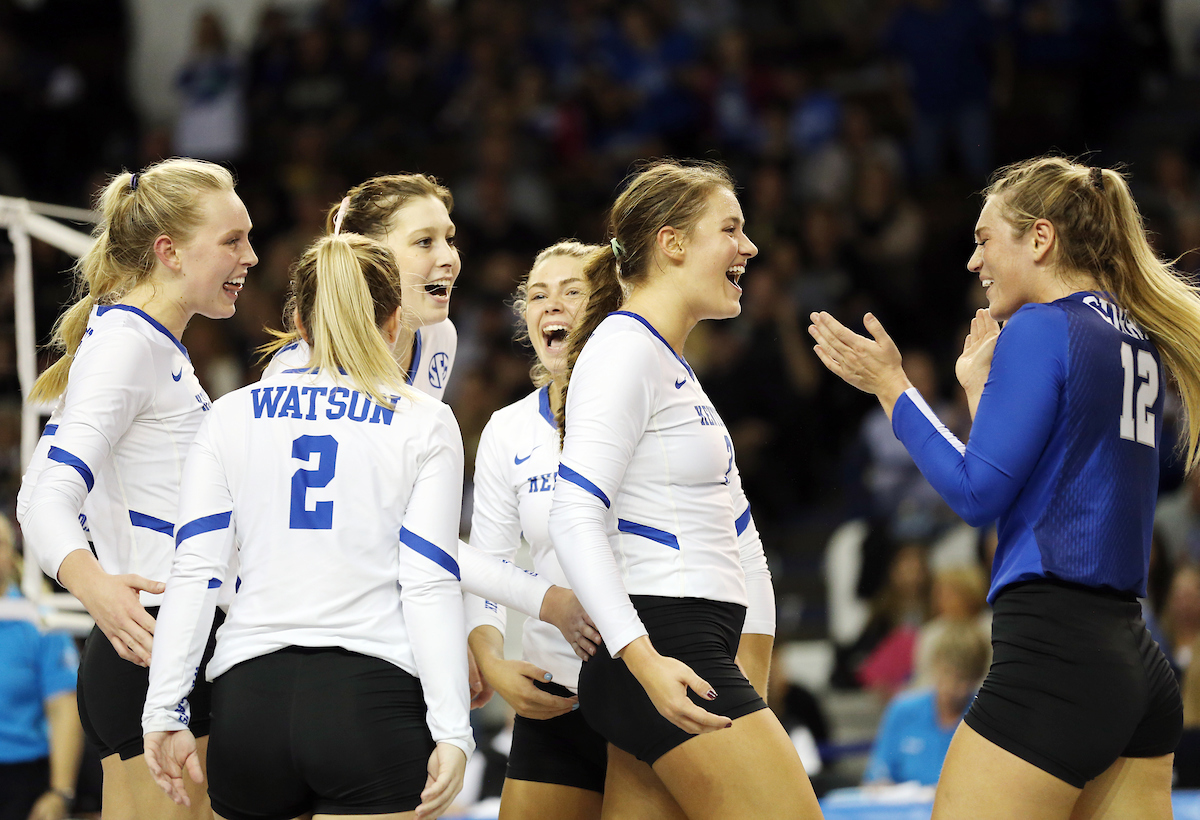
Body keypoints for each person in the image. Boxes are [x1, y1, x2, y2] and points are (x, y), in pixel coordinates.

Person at [809, 155, 1199, 818]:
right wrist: (977, 391)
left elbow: (977, 494)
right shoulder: (1130, 337)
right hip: (1134, 660)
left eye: (985, 239)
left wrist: (892, 389)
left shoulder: (1044, 327)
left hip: (1054, 656)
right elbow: (1061, 476)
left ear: (1040, 239)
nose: (972, 260)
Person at [141, 232, 471, 819]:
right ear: (395, 321)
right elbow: (428, 583)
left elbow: (195, 572)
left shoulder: (231, 414)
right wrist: (453, 729)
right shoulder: (426, 421)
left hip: (248, 702)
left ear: (297, 321)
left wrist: (164, 709)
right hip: (370, 699)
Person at [547, 159, 824, 820]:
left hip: (690, 649)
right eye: (729, 228)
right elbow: (573, 515)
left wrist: (749, 677)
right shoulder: (624, 350)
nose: (749, 247)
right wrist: (643, 663)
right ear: (672, 243)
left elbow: (740, 541)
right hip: (666, 647)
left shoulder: (666, 362)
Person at [17, 157, 256, 819]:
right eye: (232, 240)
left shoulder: (151, 344)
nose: (252, 256)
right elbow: (42, 494)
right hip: (156, 646)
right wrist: (94, 585)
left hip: (172, 646)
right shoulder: (129, 347)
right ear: (168, 252)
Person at [465, 240, 612, 820]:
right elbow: (490, 562)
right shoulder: (507, 429)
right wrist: (496, 662)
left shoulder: (649, 405)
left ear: (605, 307)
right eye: (537, 294)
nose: (552, 304)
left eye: (572, 291)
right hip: (554, 690)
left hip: (645, 683)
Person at [260, 173, 459, 401]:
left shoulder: (441, 336)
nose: (449, 258)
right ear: (368, 256)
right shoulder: (293, 373)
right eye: (424, 241)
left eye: (450, 239)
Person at [0, 514, 84, 820]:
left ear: (12, 554)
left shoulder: (40, 621)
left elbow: (64, 708)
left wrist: (60, 792)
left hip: (23, 777)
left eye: (0, 544)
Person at [863, 622, 989, 787]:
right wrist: (880, 786)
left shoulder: (985, 717)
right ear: (935, 667)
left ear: (977, 678)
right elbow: (875, 775)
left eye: (963, 679)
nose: (952, 686)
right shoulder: (902, 709)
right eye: (947, 674)